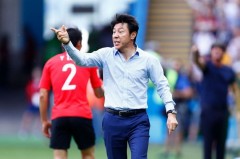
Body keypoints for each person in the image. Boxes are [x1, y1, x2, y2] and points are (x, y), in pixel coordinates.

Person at [51, 14, 178, 159]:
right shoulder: (106, 55)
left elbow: (162, 85)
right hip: (112, 120)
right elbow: (82, 60)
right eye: (114, 32)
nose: (115, 36)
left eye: (120, 32)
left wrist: (171, 112)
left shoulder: (149, 60)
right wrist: (68, 44)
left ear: (133, 34)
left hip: (138, 121)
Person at [39, 27, 104, 159]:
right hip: (82, 115)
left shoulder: (50, 63)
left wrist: (45, 120)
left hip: (59, 115)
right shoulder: (88, 62)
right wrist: (106, 89)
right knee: (88, 155)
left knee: (59, 156)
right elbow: (98, 93)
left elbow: (42, 95)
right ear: (79, 44)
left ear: (62, 42)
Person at [191, 43, 240, 159]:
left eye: (220, 50)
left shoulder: (228, 70)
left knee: (221, 145)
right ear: (211, 52)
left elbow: (235, 90)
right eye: (215, 49)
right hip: (208, 111)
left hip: (223, 111)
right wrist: (195, 52)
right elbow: (197, 62)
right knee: (208, 144)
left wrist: (238, 109)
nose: (217, 51)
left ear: (223, 53)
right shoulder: (207, 66)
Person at [18, 67, 42, 139]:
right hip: (32, 103)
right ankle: (24, 130)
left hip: (40, 103)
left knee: (39, 118)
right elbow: (28, 91)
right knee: (27, 116)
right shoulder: (31, 83)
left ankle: (37, 131)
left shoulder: (42, 82)